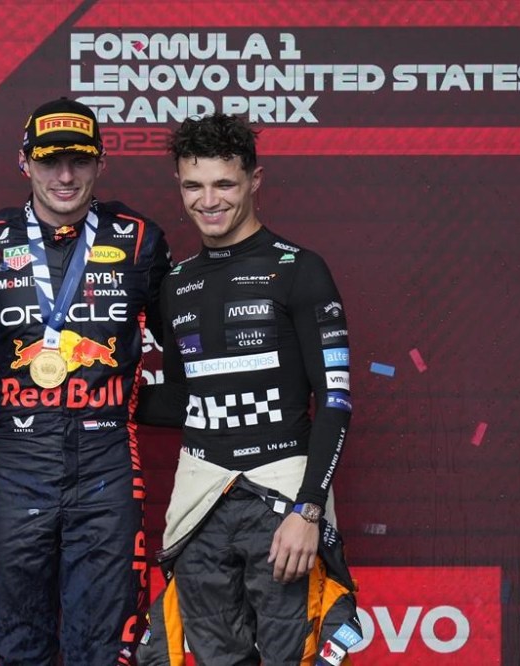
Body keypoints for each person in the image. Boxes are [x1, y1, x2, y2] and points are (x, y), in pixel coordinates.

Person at [0, 97, 172, 664]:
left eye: (79, 161)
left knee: (103, 645)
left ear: (101, 163)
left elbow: (187, 341)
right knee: (17, 643)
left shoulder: (141, 240)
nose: (65, 176)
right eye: (50, 161)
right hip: (17, 468)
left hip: (106, 469)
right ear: (24, 163)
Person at [135, 113, 362, 665]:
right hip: (201, 506)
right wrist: (97, 395)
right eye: (194, 185)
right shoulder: (177, 284)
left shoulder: (300, 269)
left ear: (254, 181)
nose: (208, 200)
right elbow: (190, 399)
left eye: (224, 184)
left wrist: (309, 511)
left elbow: (335, 400)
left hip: (282, 504)